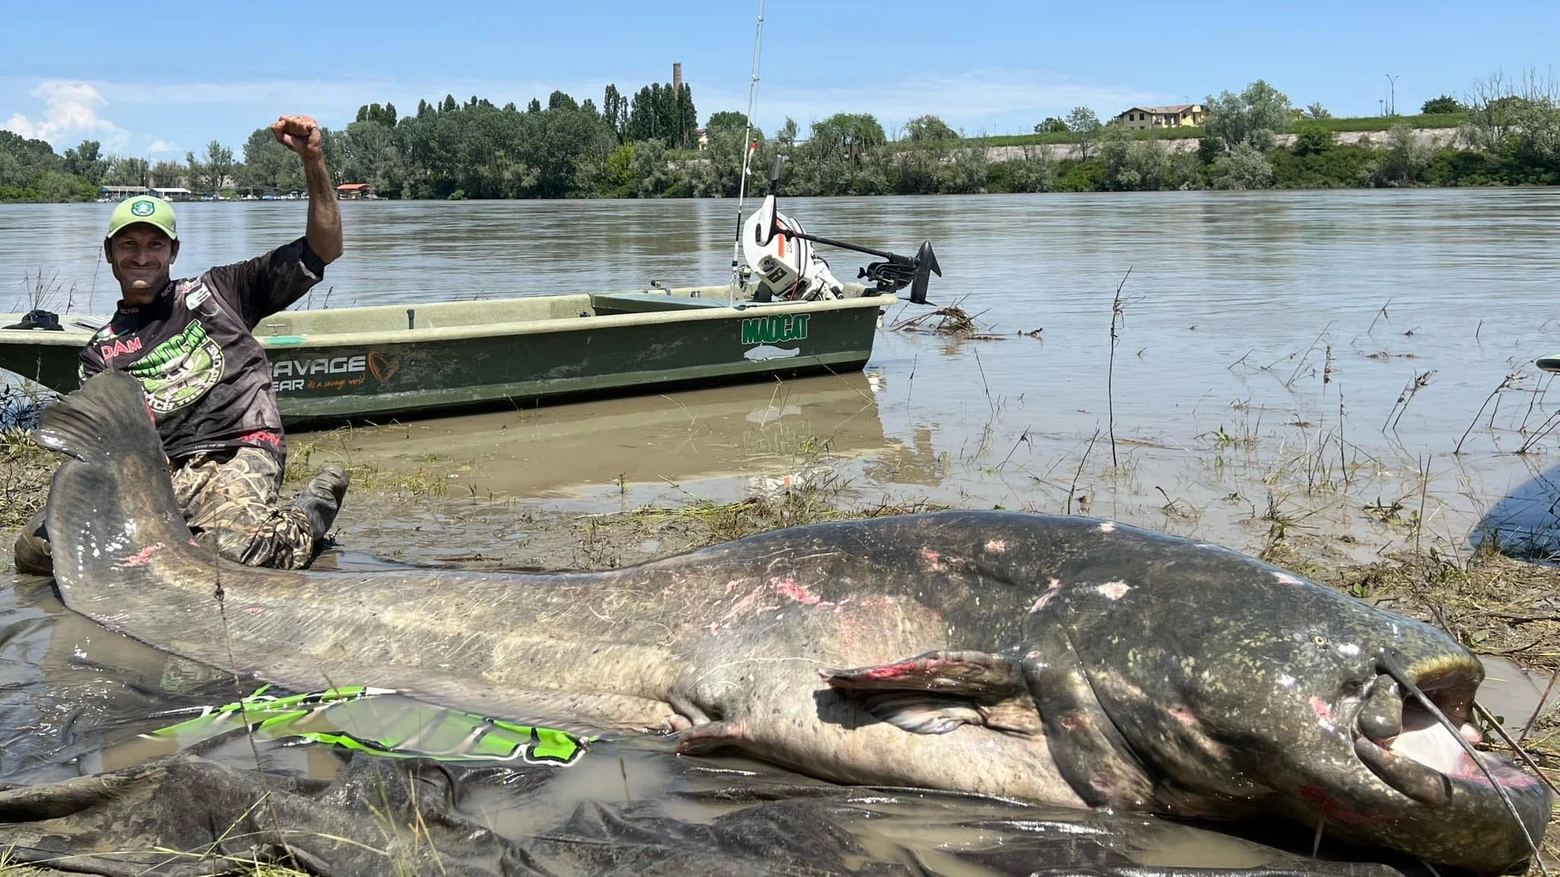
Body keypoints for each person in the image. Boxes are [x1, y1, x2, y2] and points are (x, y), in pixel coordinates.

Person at [12, 114, 349, 575]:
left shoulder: (221, 291)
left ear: (173, 251)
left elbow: (324, 247)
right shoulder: (100, 353)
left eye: (155, 244)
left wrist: (313, 160)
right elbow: (109, 445)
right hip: (160, 473)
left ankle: (308, 514)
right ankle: (190, 529)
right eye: (128, 245)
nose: (142, 256)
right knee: (38, 552)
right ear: (109, 253)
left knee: (232, 555)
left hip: (239, 448)